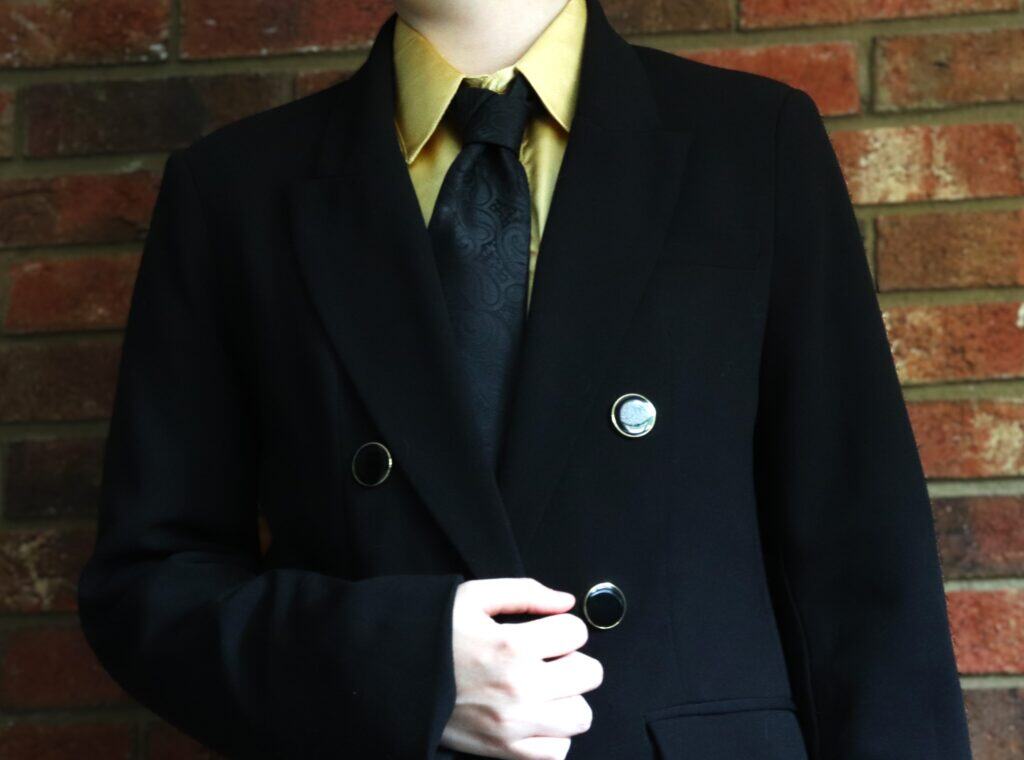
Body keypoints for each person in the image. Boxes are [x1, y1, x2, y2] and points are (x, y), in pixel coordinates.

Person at [76, 0, 975, 758]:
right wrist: (403, 665)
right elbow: (151, 581)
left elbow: (863, 563)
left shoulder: (753, 145)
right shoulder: (235, 191)